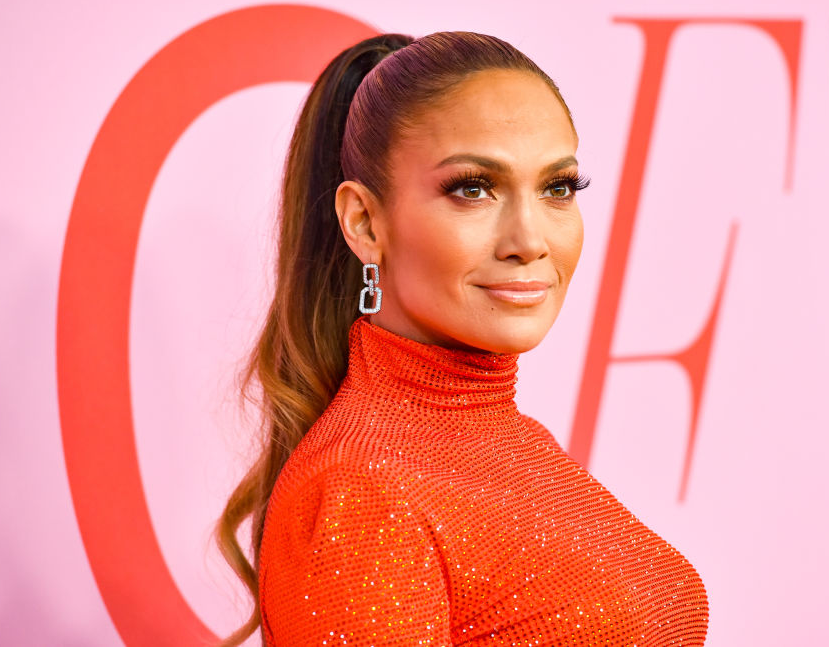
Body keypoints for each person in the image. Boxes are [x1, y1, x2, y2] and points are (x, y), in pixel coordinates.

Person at [216, 31, 708, 646]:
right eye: (473, 188)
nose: (529, 240)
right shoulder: (360, 496)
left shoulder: (509, 440)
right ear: (365, 223)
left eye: (558, 188)